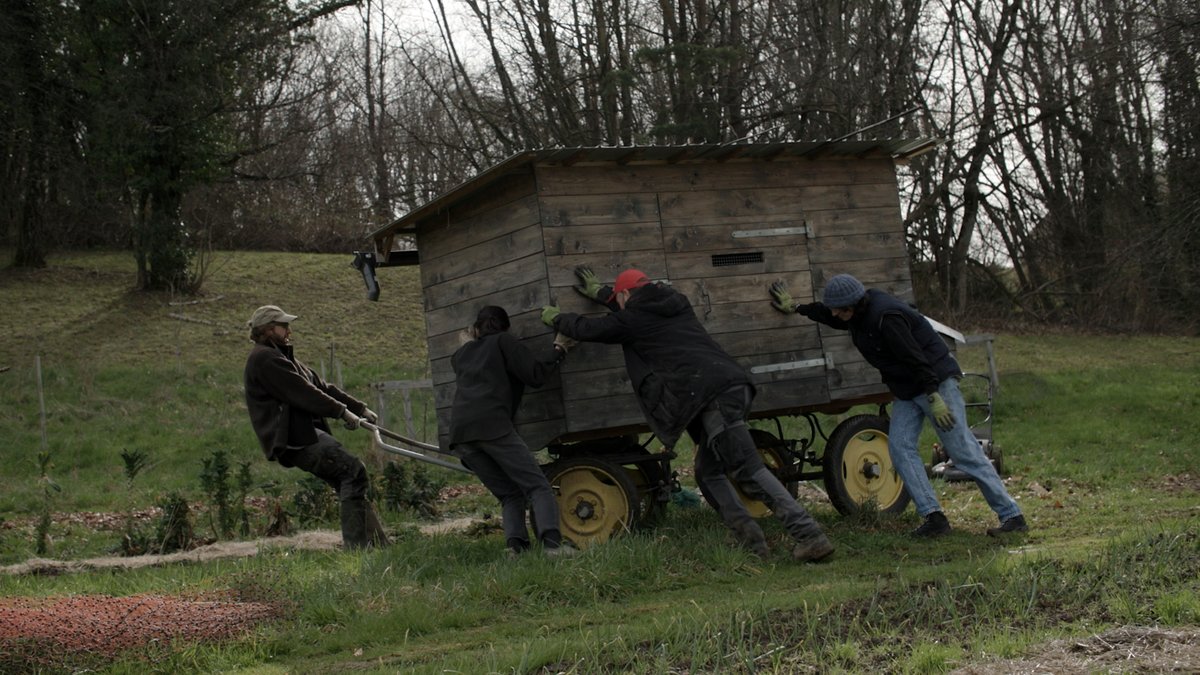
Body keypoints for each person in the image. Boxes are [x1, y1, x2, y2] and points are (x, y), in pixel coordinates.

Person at [541, 267, 835, 562]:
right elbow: (632, 313)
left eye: (619, 299)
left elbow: (592, 329)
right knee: (708, 473)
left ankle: (810, 535)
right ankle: (752, 543)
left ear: (627, 295)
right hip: (729, 387)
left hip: (712, 397)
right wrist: (606, 294)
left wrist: (557, 318)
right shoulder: (676, 304)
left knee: (748, 468)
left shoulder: (633, 318)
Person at [768, 274, 1028, 537]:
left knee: (962, 452)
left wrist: (934, 396)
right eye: (834, 308)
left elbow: (916, 358)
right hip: (907, 389)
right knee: (900, 448)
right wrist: (798, 308)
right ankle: (934, 518)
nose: (835, 313)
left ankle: (1012, 516)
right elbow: (828, 315)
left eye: (839, 308)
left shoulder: (886, 318)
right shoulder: (855, 314)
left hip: (934, 384)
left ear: (853, 304)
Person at [243, 304, 388, 550]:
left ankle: (378, 545)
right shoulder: (264, 359)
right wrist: (341, 412)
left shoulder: (283, 357)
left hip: (303, 434)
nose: (288, 329)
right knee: (352, 472)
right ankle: (358, 549)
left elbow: (321, 386)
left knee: (350, 480)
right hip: (290, 437)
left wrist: (359, 408)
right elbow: (303, 392)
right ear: (268, 330)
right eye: (283, 325)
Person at [449, 305, 576, 557]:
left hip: (462, 436)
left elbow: (473, 359)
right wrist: (559, 348)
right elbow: (536, 375)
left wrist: (469, 344)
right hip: (493, 426)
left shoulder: (461, 355)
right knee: (537, 486)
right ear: (505, 326)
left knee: (510, 494)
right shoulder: (504, 341)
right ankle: (553, 546)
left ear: (476, 329)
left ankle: (516, 549)